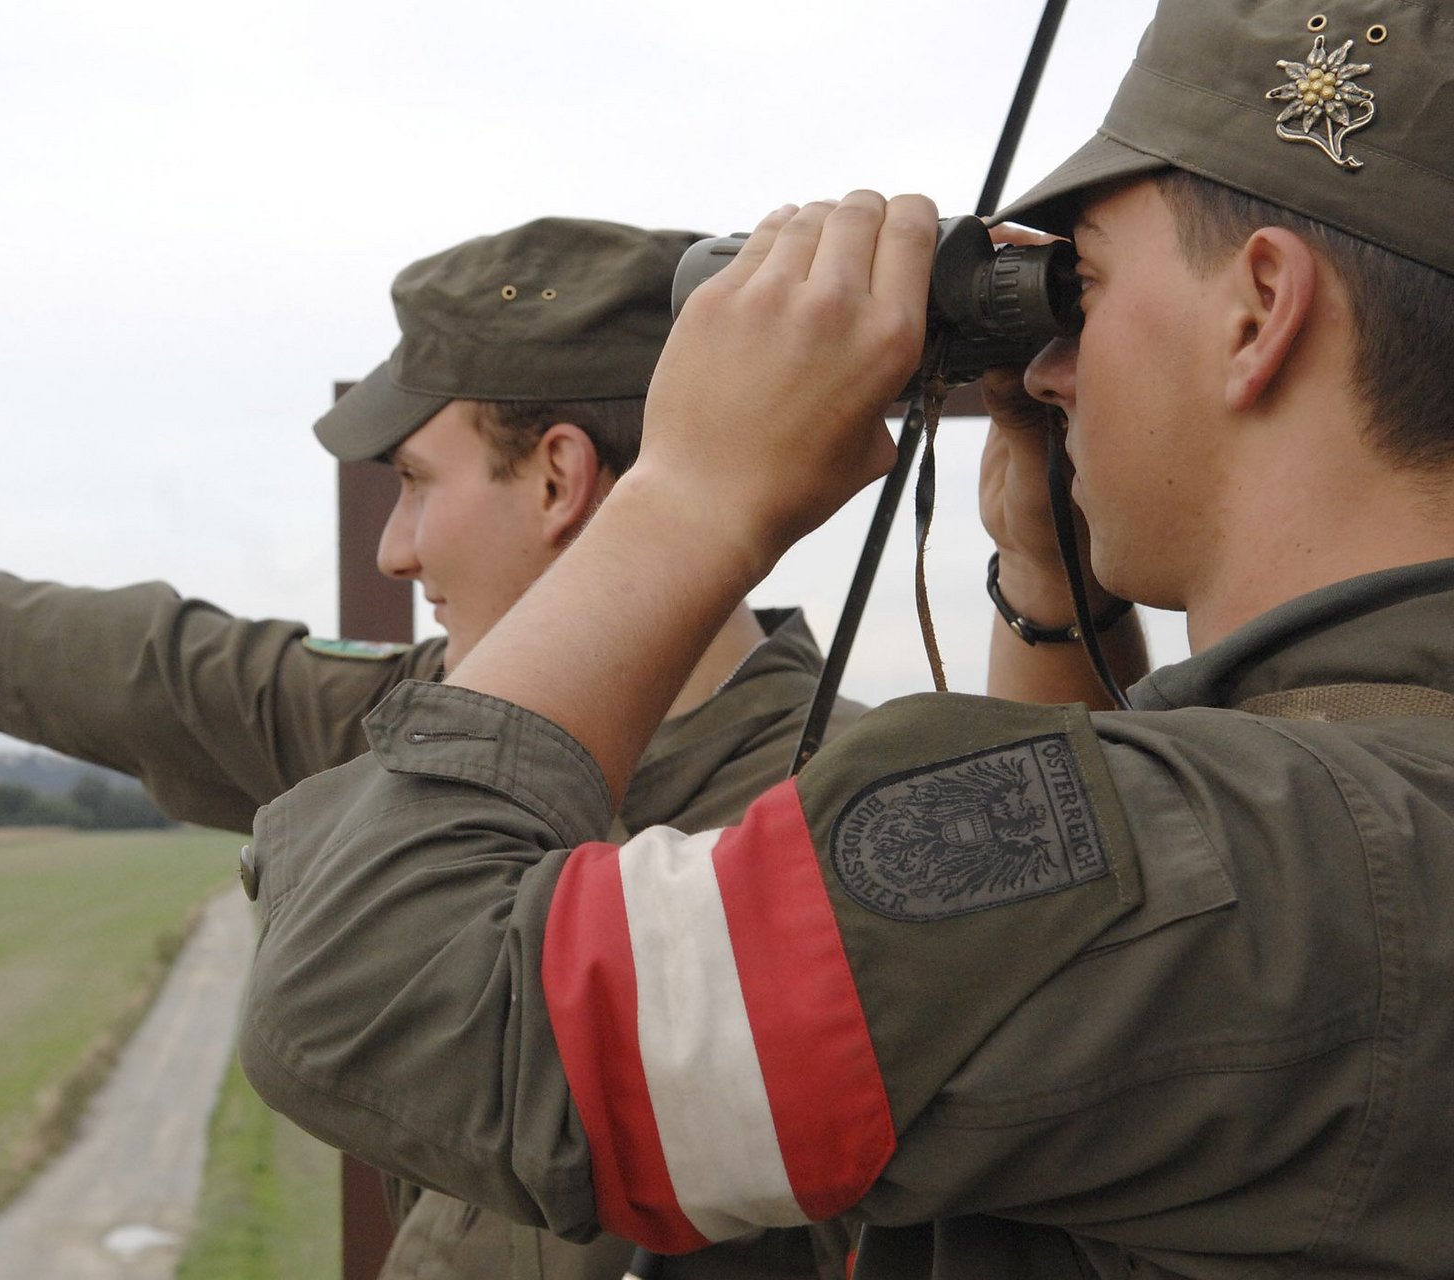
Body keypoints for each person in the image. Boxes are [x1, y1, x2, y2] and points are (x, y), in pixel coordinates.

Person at [237, 0, 1454, 1274]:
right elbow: (1099, 1027)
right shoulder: (1327, 826)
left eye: (1079, 288)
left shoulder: (1201, 859)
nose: (1045, 369)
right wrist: (1053, 581)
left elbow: (376, 996)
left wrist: (697, 490)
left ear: (1259, 309)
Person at [0, 217, 869, 1279]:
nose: (397, 552)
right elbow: (162, 671)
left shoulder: (837, 830)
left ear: (560, 477)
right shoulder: (438, 726)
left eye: (416, 483)